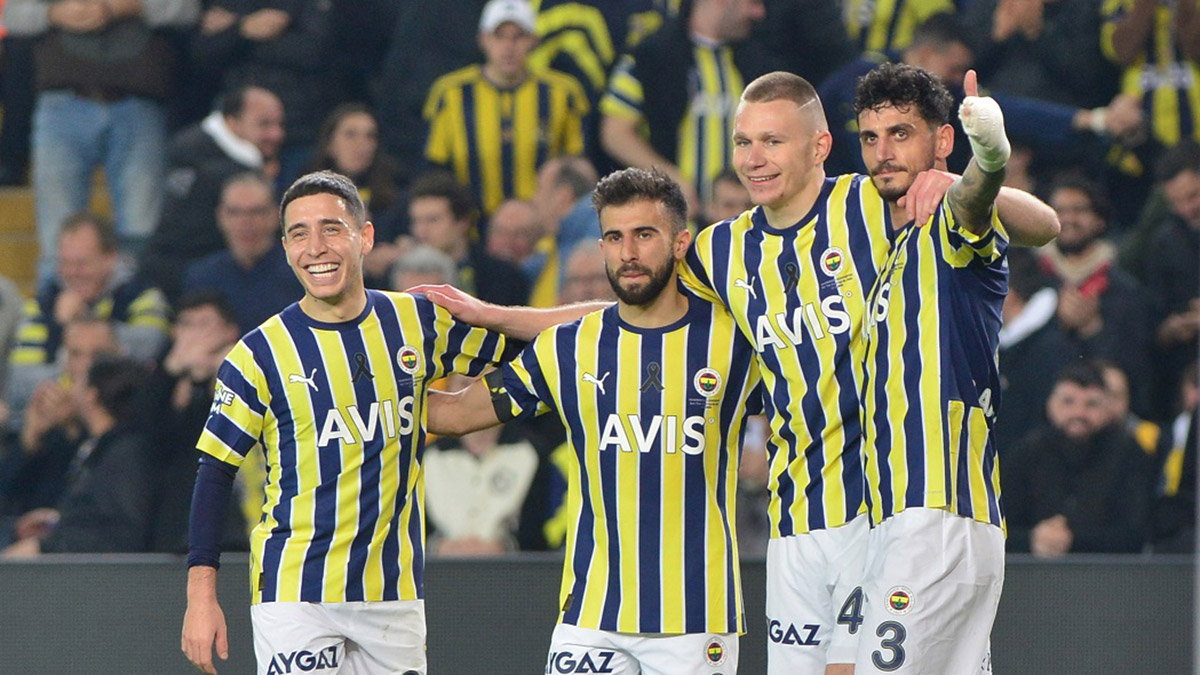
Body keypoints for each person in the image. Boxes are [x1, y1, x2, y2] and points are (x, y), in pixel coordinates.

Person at [416, 68, 1057, 675]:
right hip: (794, 513)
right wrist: (498, 315)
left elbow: (1030, 224)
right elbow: (630, 316)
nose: (754, 158)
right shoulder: (722, 249)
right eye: (744, 142)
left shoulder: (873, 200)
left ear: (819, 147)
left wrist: (978, 171)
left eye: (773, 141)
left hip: (879, 511)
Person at [425, 167, 763, 673]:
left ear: (680, 243)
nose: (628, 252)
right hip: (591, 614)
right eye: (615, 237)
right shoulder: (570, 346)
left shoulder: (734, 340)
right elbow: (454, 414)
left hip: (695, 616)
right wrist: (360, 386)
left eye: (644, 235)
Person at [181, 171, 508, 675]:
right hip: (296, 592)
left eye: (331, 228)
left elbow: (537, 356)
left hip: (393, 594)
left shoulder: (416, 322)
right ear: (286, 248)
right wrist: (201, 598)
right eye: (299, 234)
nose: (315, 247)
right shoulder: (259, 353)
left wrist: (601, 325)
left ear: (365, 237)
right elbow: (214, 473)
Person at [852, 62, 1053, 673]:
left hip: (933, 517)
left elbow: (993, 204)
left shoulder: (947, 223)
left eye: (901, 133)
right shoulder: (891, 247)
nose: (883, 153)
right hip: (926, 520)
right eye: (870, 137)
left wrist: (985, 157)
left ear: (943, 139)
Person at [3, 0, 200, 281]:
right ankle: (54, 307)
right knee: (57, 234)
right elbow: (13, 15)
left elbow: (186, 9)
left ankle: (137, 305)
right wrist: (54, 13)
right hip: (61, 102)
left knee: (140, 231)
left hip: (138, 101)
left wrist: (128, 7)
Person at [599, 0, 773, 215]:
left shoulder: (760, 61)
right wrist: (667, 177)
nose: (758, 12)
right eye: (751, 2)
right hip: (677, 220)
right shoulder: (650, 56)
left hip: (746, 220)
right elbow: (614, 132)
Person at [423, 0, 589, 216]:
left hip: (541, 227)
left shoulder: (563, 93)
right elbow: (434, 171)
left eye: (518, 36)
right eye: (499, 36)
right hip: (472, 225)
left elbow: (579, 168)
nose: (508, 47)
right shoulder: (450, 94)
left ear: (533, 41)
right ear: (483, 39)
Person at [141, 86, 287, 303]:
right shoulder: (208, 166)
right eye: (264, 124)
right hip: (190, 286)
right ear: (232, 122)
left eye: (280, 124)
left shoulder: (190, 148)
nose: (277, 134)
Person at [2, 354, 152, 557]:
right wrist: (56, 520)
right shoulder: (99, 446)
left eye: (77, 382)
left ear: (91, 395)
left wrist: (45, 546)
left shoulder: (124, 454)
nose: (70, 390)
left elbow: (120, 533)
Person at [1004, 361, 1156, 556]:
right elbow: (1000, 524)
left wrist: (1072, 540)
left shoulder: (1130, 455)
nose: (1078, 413)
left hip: (1107, 570)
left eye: (1091, 404)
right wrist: (1032, 539)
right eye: (1068, 402)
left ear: (1107, 408)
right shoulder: (1026, 453)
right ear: (1050, 404)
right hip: (1030, 568)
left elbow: (1135, 533)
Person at [182, 172, 302, 335]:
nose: (245, 222)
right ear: (220, 216)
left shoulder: (300, 275)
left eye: (256, 212)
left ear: (276, 216)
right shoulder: (202, 277)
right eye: (234, 212)